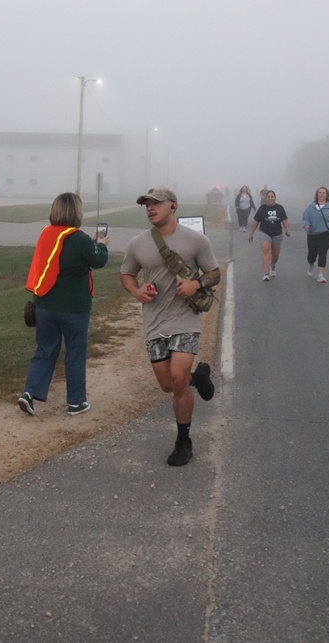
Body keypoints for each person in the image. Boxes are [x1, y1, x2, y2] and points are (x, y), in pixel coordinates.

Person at [120, 186, 220, 467]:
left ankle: (183, 441)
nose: (150, 208)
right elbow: (126, 273)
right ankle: (198, 378)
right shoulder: (138, 243)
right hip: (154, 322)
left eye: (156, 203)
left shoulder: (196, 241)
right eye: (146, 204)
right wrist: (137, 292)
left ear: (173, 206)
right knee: (168, 386)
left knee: (177, 378)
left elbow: (214, 273)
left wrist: (196, 284)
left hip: (184, 319)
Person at [19, 192, 109, 417]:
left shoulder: (46, 233)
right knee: (75, 353)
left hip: (44, 305)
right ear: (76, 212)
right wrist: (102, 245)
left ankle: (29, 393)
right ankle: (76, 402)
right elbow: (98, 260)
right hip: (73, 307)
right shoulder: (79, 238)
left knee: (44, 350)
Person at [301, 185, 329, 283]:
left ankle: (320, 275)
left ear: (327, 195)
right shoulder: (310, 207)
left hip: (326, 234)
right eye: (320, 193)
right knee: (311, 255)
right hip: (312, 234)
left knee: (323, 253)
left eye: (324, 193)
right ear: (317, 195)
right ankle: (311, 265)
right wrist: (306, 225)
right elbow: (305, 218)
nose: (322, 194)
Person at [248, 189, 291, 281]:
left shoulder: (280, 208)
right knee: (266, 250)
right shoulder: (262, 208)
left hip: (277, 233)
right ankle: (266, 273)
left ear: (275, 198)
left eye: (272, 196)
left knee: (275, 254)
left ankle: (273, 265)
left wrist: (287, 229)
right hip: (264, 232)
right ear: (266, 198)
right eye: (269, 197)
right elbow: (256, 221)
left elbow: (284, 220)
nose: (270, 198)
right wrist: (251, 233)